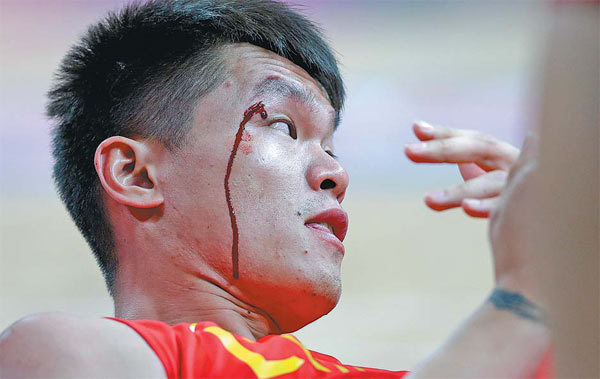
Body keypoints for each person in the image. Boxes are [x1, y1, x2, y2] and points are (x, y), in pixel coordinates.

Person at [0, 0, 553, 377]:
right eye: (285, 127)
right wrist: (528, 292)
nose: (336, 174)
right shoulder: (63, 356)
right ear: (135, 174)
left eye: (332, 147)